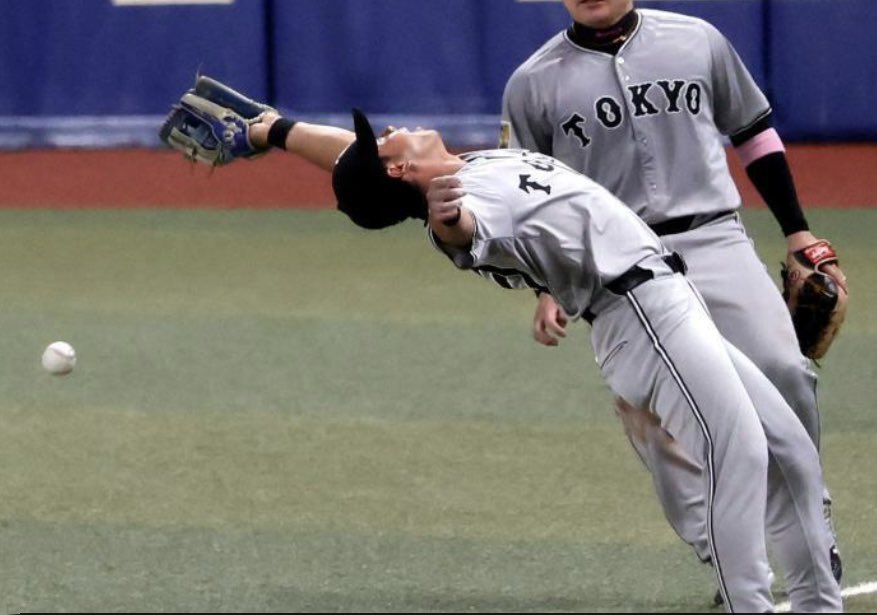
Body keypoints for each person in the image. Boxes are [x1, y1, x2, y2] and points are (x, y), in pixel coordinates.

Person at [215, 105, 841, 612]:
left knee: (788, 448)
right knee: (737, 452)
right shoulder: (458, 201)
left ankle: (818, 606)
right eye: (384, 142)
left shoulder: (463, 163)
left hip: (668, 301)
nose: (389, 130)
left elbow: (350, 160)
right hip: (642, 316)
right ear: (401, 170)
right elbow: (462, 228)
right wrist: (447, 215)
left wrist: (276, 130)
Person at [500, 0, 848, 591]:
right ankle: (723, 548)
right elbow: (529, 196)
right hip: (615, 267)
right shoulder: (533, 82)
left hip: (713, 236)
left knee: (784, 370)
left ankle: (813, 521)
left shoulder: (696, 41)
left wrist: (797, 229)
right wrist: (546, 286)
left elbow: (754, 133)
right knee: (656, 418)